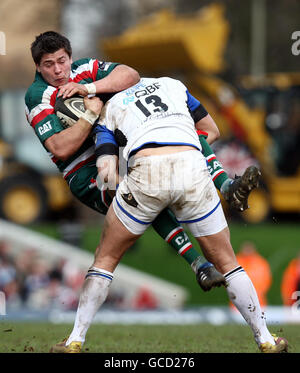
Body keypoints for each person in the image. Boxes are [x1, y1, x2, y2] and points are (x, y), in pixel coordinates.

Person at [50, 77, 287, 353]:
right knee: (228, 262)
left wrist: (120, 184)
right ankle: (266, 339)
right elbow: (211, 131)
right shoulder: (172, 84)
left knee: (106, 258)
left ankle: (75, 340)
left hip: (147, 170)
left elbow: (106, 172)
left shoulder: (109, 107)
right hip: (192, 167)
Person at [25, 31, 258, 293]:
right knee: (138, 192)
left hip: (118, 147)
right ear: (37, 66)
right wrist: (91, 115)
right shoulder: (37, 95)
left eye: (62, 60)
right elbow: (61, 147)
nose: (58, 70)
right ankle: (198, 263)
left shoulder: (85, 69)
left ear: (70, 57)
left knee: (182, 135)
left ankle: (225, 188)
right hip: (86, 172)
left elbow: (130, 75)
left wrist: (91, 88)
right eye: (49, 64)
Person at [231, 241, 272, 309]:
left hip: (258, 302)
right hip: (238, 302)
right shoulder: (236, 261)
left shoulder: (260, 262)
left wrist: (258, 292)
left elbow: (266, 280)